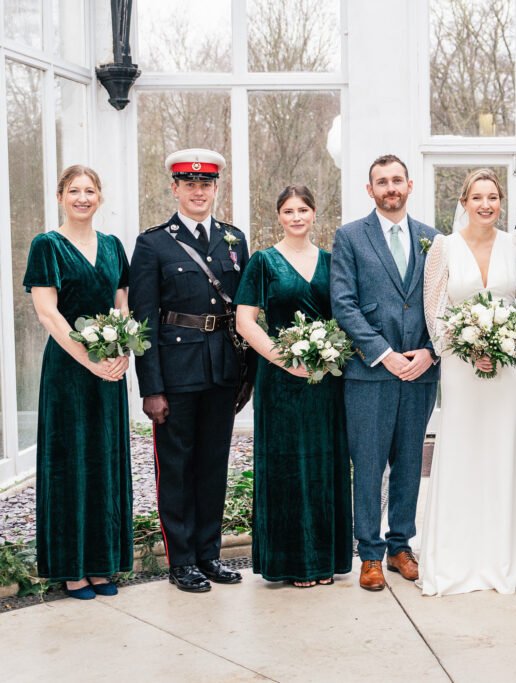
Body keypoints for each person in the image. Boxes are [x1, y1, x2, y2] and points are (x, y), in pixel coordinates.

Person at [129, 148, 250, 593]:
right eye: (190, 184)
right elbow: (143, 320)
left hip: (222, 370)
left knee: (214, 465)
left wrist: (246, 373)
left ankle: (208, 555)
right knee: (176, 467)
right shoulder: (153, 243)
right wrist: (151, 387)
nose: (199, 191)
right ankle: (181, 561)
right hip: (175, 374)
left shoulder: (234, 240)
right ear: (175, 188)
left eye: (206, 184)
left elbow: (244, 312)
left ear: (217, 188)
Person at [418, 169, 516, 595]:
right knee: (465, 448)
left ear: (500, 201)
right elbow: (433, 308)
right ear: (464, 201)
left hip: (508, 366)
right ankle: (457, 557)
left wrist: (507, 340)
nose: (486, 204)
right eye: (477, 197)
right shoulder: (443, 247)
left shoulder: (515, 244)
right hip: (460, 367)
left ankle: (509, 555)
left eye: (493, 197)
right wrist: (467, 348)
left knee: (505, 448)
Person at [331, 154, 439, 592]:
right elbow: (344, 303)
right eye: (382, 181)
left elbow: (443, 303)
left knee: (410, 463)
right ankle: (370, 554)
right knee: (370, 464)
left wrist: (431, 352)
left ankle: (400, 547)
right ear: (370, 189)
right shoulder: (350, 237)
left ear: (410, 186)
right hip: (370, 372)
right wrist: (383, 353)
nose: (390, 187)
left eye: (397, 180)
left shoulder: (434, 239)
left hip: (420, 372)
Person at [23, 166, 132, 600]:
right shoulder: (46, 246)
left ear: (100, 198)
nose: (82, 198)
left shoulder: (112, 246)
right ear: (60, 196)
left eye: (90, 191)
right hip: (70, 369)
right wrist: (90, 359)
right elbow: (48, 313)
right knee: (70, 463)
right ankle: (72, 569)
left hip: (110, 369)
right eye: (74, 191)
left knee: (105, 459)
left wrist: (122, 349)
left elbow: (121, 302)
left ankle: (103, 563)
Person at [235, 185, 352, 588]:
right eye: (289, 210)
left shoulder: (332, 261)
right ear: (279, 216)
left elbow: (345, 317)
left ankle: (325, 559)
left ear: (315, 213)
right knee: (286, 465)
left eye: (304, 209)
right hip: (280, 380)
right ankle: (291, 562)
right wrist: (285, 359)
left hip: (324, 380)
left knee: (324, 463)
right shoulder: (263, 263)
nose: (297, 216)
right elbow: (245, 320)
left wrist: (325, 356)